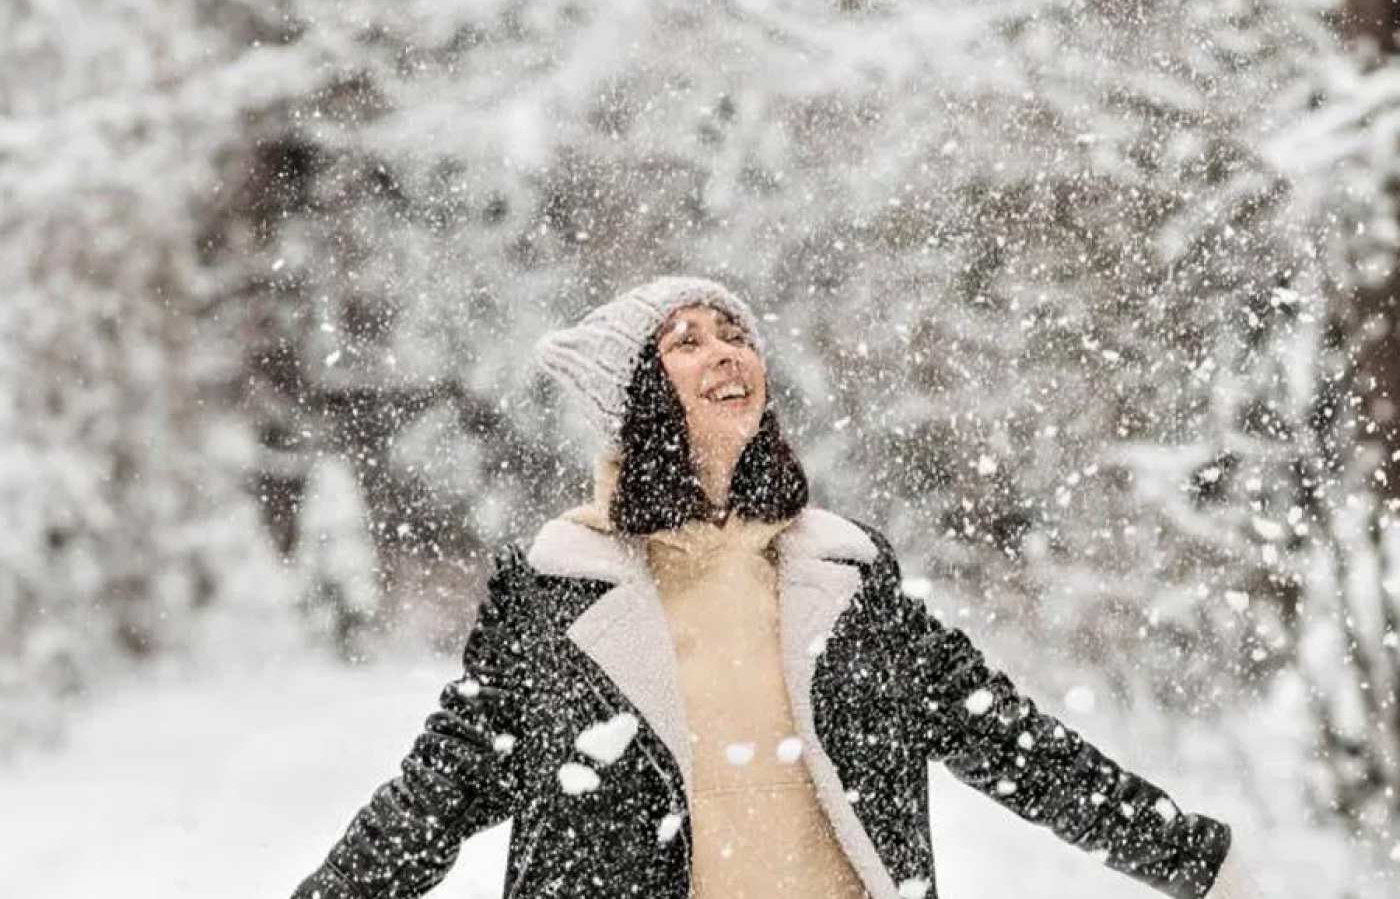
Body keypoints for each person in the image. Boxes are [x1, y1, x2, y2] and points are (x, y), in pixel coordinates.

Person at [291, 276, 1264, 899]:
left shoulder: (838, 573)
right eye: (684, 341)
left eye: (734, 334)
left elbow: (1003, 735)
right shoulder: (559, 586)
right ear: (635, 396)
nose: (724, 352)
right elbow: (444, 783)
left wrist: (1193, 861)